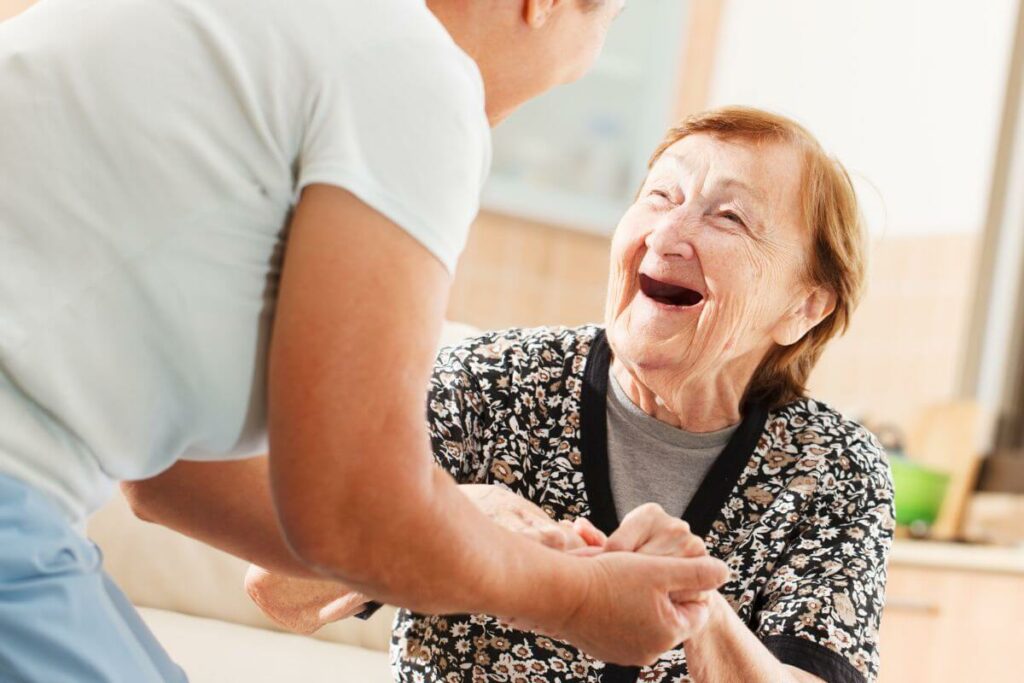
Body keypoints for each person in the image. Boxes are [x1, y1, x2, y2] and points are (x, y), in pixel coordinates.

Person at [0, 1, 731, 680]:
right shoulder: (413, 72)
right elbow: (356, 511)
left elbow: (171, 475)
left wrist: (489, 545)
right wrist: (575, 597)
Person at [245, 107, 895, 683]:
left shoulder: (833, 469)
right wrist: (454, 512)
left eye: (729, 216)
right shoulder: (491, 381)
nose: (667, 234)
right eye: (660, 196)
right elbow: (277, 589)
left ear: (804, 306)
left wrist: (705, 615)